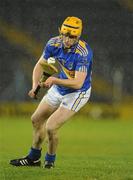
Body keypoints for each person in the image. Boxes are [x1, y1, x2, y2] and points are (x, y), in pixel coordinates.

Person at [10, 16, 93, 168]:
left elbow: (78, 83)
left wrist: (54, 80)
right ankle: (33, 159)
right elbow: (40, 64)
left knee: (51, 126)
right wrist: (35, 85)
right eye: (65, 34)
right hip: (60, 88)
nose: (67, 39)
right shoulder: (53, 43)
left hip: (77, 93)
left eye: (72, 36)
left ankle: (50, 162)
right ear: (60, 31)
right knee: (36, 119)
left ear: (79, 36)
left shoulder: (83, 52)